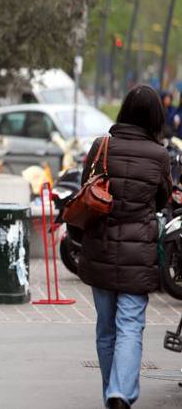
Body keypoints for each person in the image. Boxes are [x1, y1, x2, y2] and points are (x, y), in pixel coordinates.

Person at [78, 84, 172, 408]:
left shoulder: (102, 145)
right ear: (154, 117)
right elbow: (162, 198)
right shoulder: (160, 156)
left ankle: (111, 393)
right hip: (138, 252)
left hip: (100, 248)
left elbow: (84, 189)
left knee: (106, 328)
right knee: (130, 325)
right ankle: (120, 393)